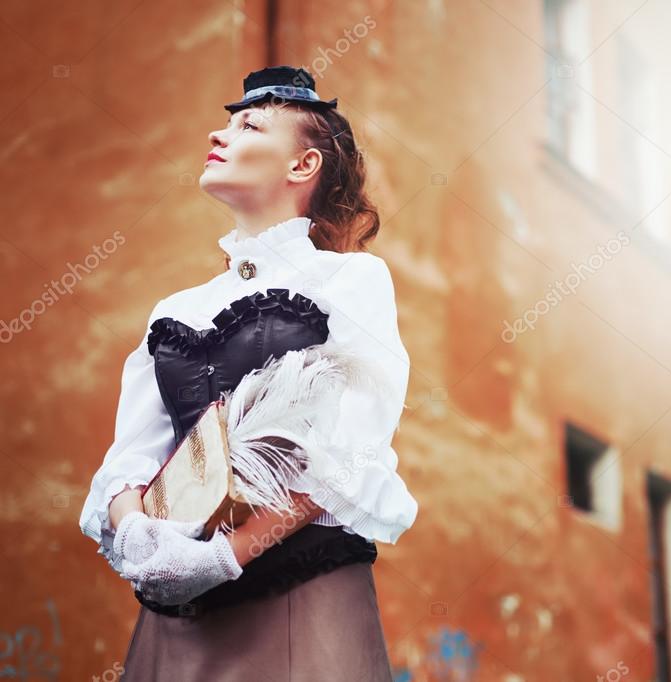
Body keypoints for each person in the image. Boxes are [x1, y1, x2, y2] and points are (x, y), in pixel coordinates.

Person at [77, 65, 417, 681]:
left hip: (299, 590)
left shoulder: (351, 280)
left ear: (302, 166)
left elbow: (352, 451)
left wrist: (228, 556)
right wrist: (139, 541)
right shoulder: (176, 308)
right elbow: (132, 458)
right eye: (228, 122)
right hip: (176, 603)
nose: (220, 132)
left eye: (249, 124)